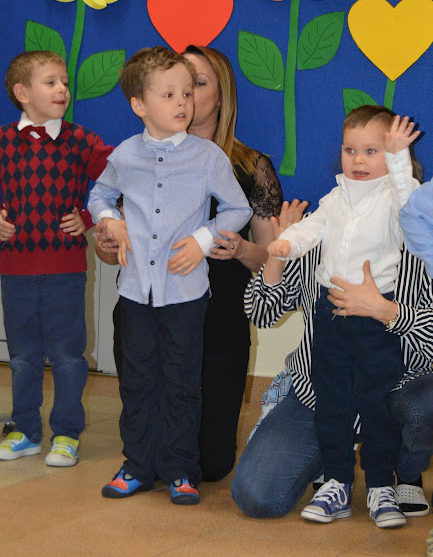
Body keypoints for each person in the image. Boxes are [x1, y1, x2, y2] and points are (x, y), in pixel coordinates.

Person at [96, 45, 285, 482]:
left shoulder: (247, 166)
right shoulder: (135, 155)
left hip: (216, 319)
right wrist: (108, 238)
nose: (184, 98)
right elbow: (112, 237)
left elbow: (269, 261)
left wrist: (235, 248)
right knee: (144, 400)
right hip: (146, 304)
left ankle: (177, 463)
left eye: (195, 85)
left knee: (210, 463)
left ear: (221, 96)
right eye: (172, 89)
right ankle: (140, 461)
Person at [263, 106, 421, 527]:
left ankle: (380, 485)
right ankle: (336, 481)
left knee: (377, 403)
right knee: (331, 402)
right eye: (351, 150)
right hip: (330, 314)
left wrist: (398, 158)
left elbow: (411, 209)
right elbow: (311, 227)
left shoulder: (395, 197)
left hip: (375, 320)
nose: (358, 160)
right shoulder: (334, 198)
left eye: (371, 150)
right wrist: (288, 244)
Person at [232, 202, 433, 522]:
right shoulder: (316, 229)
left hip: (396, 389)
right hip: (319, 390)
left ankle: (406, 472)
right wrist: (278, 254)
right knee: (255, 496)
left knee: (426, 402)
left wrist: (388, 312)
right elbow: (262, 313)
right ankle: (332, 465)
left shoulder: (422, 240)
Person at [0, 50, 112, 466]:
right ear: (22, 93)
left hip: (65, 270)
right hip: (14, 271)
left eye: (64, 81)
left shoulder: (82, 140)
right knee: (22, 357)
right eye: (51, 82)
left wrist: (88, 217)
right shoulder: (3, 142)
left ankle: (66, 433)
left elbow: (120, 181)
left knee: (67, 357)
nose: (62, 88)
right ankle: (25, 430)